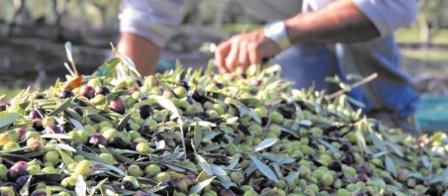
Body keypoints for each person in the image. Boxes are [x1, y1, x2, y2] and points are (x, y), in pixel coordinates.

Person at [118, 0, 421, 133]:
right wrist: (122, 101)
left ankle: (393, 125)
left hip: (348, 15)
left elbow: (388, 6)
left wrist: (277, 35)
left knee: (376, 109)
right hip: (292, 23)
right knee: (307, 124)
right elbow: (145, 21)